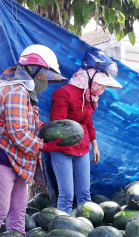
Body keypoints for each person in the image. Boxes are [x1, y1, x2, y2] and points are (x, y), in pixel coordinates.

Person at [0, 45, 67, 237]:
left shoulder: (25, 92)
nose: (45, 81)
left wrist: (42, 129)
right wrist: (44, 145)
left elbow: (25, 125)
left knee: (18, 209)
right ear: (32, 71)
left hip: (15, 160)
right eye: (43, 75)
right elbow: (18, 134)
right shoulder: (16, 90)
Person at [43, 48, 122, 213]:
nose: (102, 88)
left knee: (84, 194)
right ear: (89, 76)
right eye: (101, 83)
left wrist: (95, 145)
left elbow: (88, 122)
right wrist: (71, 135)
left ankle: (84, 230)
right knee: (66, 195)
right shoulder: (64, 93)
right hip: (61, 149)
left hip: (83, 148)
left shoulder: (90, 96)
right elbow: (57, 125)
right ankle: (64, 232)